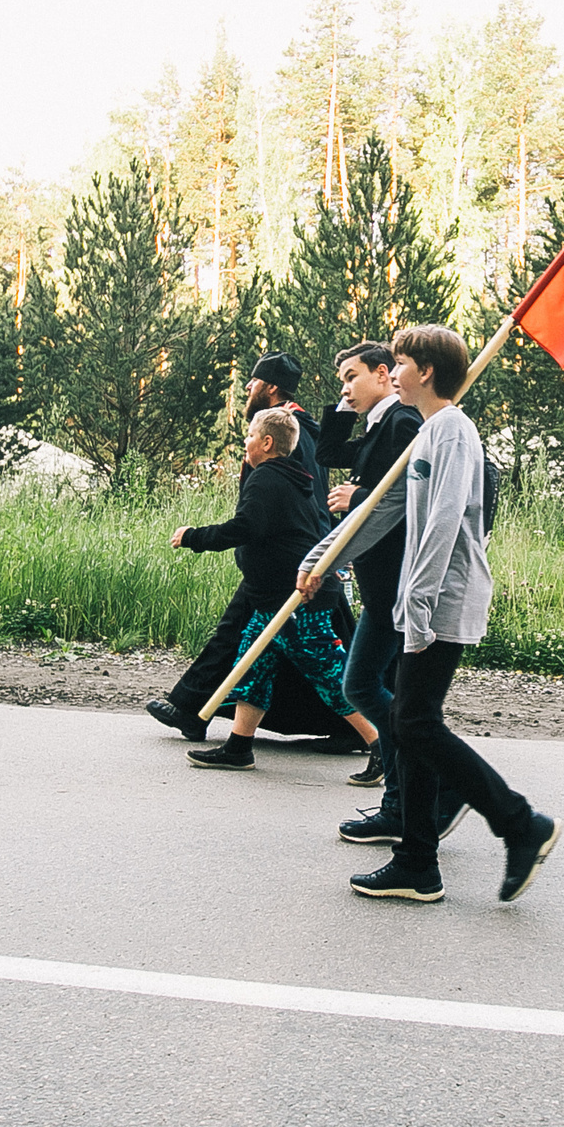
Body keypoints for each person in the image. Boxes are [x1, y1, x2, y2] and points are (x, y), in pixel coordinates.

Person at [314, 324, 558, 905]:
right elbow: (384, 513)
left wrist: (417, 612)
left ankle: (519, 824)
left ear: (424, 372)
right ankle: (418, 861)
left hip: (442, 601)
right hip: (418, 603)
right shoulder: (427, 432)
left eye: (398, 362)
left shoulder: (452, 432)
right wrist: (322, 559)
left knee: (416, 723)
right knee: (411, 723)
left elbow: (443, 527)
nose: (391, 371)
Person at [144, 350, 356, 744]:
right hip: (289, 558)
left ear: (271, 388)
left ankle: (363, 732)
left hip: (289, 563)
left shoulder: (291, 433)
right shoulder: (299, 429)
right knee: (256, 647)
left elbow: (296, 504)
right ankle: (203, 716)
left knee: (311, 657)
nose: (247, 387)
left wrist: (197, 536)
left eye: (254, 382)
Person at [303, 341, 466, 844]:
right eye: (341, 381)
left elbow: (401, 500)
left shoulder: (403, 423)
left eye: (353, 376)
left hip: (398, 579)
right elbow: (329, 452)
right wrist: (342, 406)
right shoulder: (379, 424)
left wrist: (358, 496)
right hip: (380, 581)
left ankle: (425, 793)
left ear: (383, 374)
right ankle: (413, 795)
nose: (346, 387)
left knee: (382, 697)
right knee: (386, 699)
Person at [171, 406, 380, 771]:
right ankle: (238, 747)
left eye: (250, 436)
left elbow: (246, 527)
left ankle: (383, 746)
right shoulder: (290, 476)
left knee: (327, 673)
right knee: (252, 668)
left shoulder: (266, 477)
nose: (246, 442)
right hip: (272, 598)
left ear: (267, 442)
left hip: (297, 599)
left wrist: (194, 537)